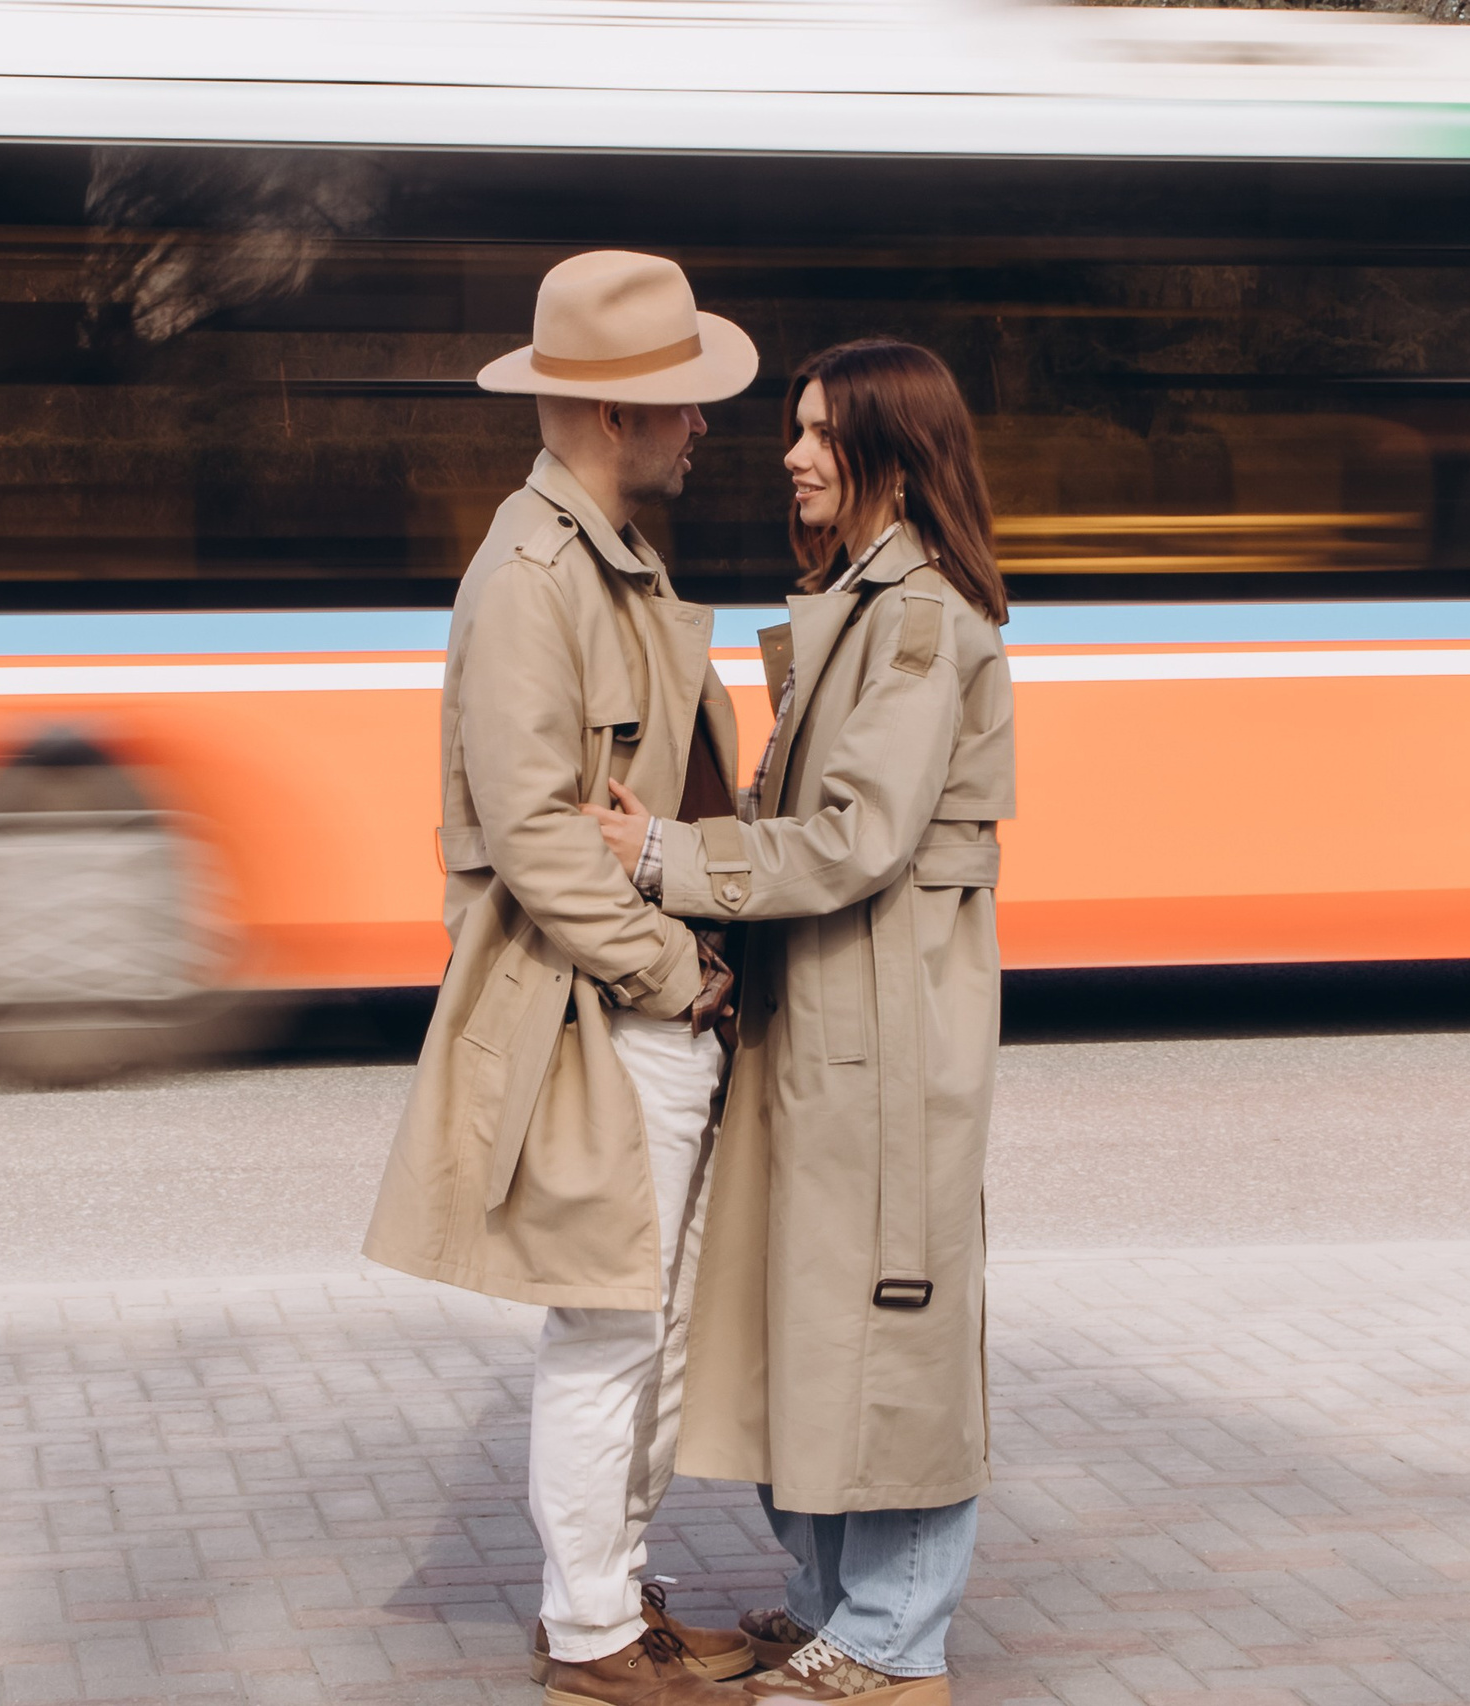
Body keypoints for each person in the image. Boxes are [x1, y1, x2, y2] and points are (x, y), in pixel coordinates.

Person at [585, 340, 1015, 1705]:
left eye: (821, 432)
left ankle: (895, 1641)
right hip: (830, 1026)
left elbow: (852, 839)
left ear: (895, 452)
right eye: (794, 428)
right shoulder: (862, 605)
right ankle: (840, 1610)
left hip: (882, 1037)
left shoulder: (924, 620)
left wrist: (665, 857)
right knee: (817, 1320)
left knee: (891, 1321)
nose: (791, 453)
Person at [362, 250, 760, 1706]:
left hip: (634, 1004)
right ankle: (592, 1633)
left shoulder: (600, 549)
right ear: (611, 413)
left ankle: (613, 1594)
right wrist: (674, 968)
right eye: (682, 403)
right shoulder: (535, 572)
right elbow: (534, 827)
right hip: (603, 1012)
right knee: (607, 1327)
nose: (703, 425)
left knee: (634, 1323)